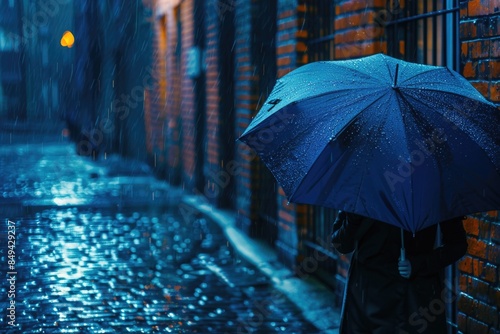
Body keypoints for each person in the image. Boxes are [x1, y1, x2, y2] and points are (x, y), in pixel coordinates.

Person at [331, 211, 468, 333]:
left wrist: (418, 264)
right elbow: (342, 244)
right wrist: (354, 216)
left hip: (411, 298)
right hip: (365, 297)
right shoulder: (361, 190)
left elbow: (457, 244)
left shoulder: (433, 190)